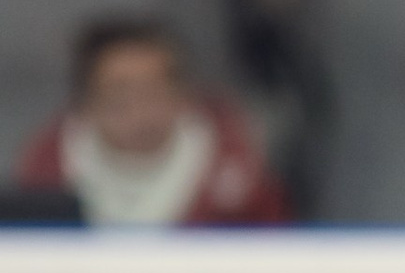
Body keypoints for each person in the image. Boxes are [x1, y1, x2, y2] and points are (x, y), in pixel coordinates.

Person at [17, 15, 289, 230]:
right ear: (85, 104)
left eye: (155, 92)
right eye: (120, 94)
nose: (140, 110)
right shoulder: (47, 175)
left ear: (184, 95)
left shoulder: (241, 177)